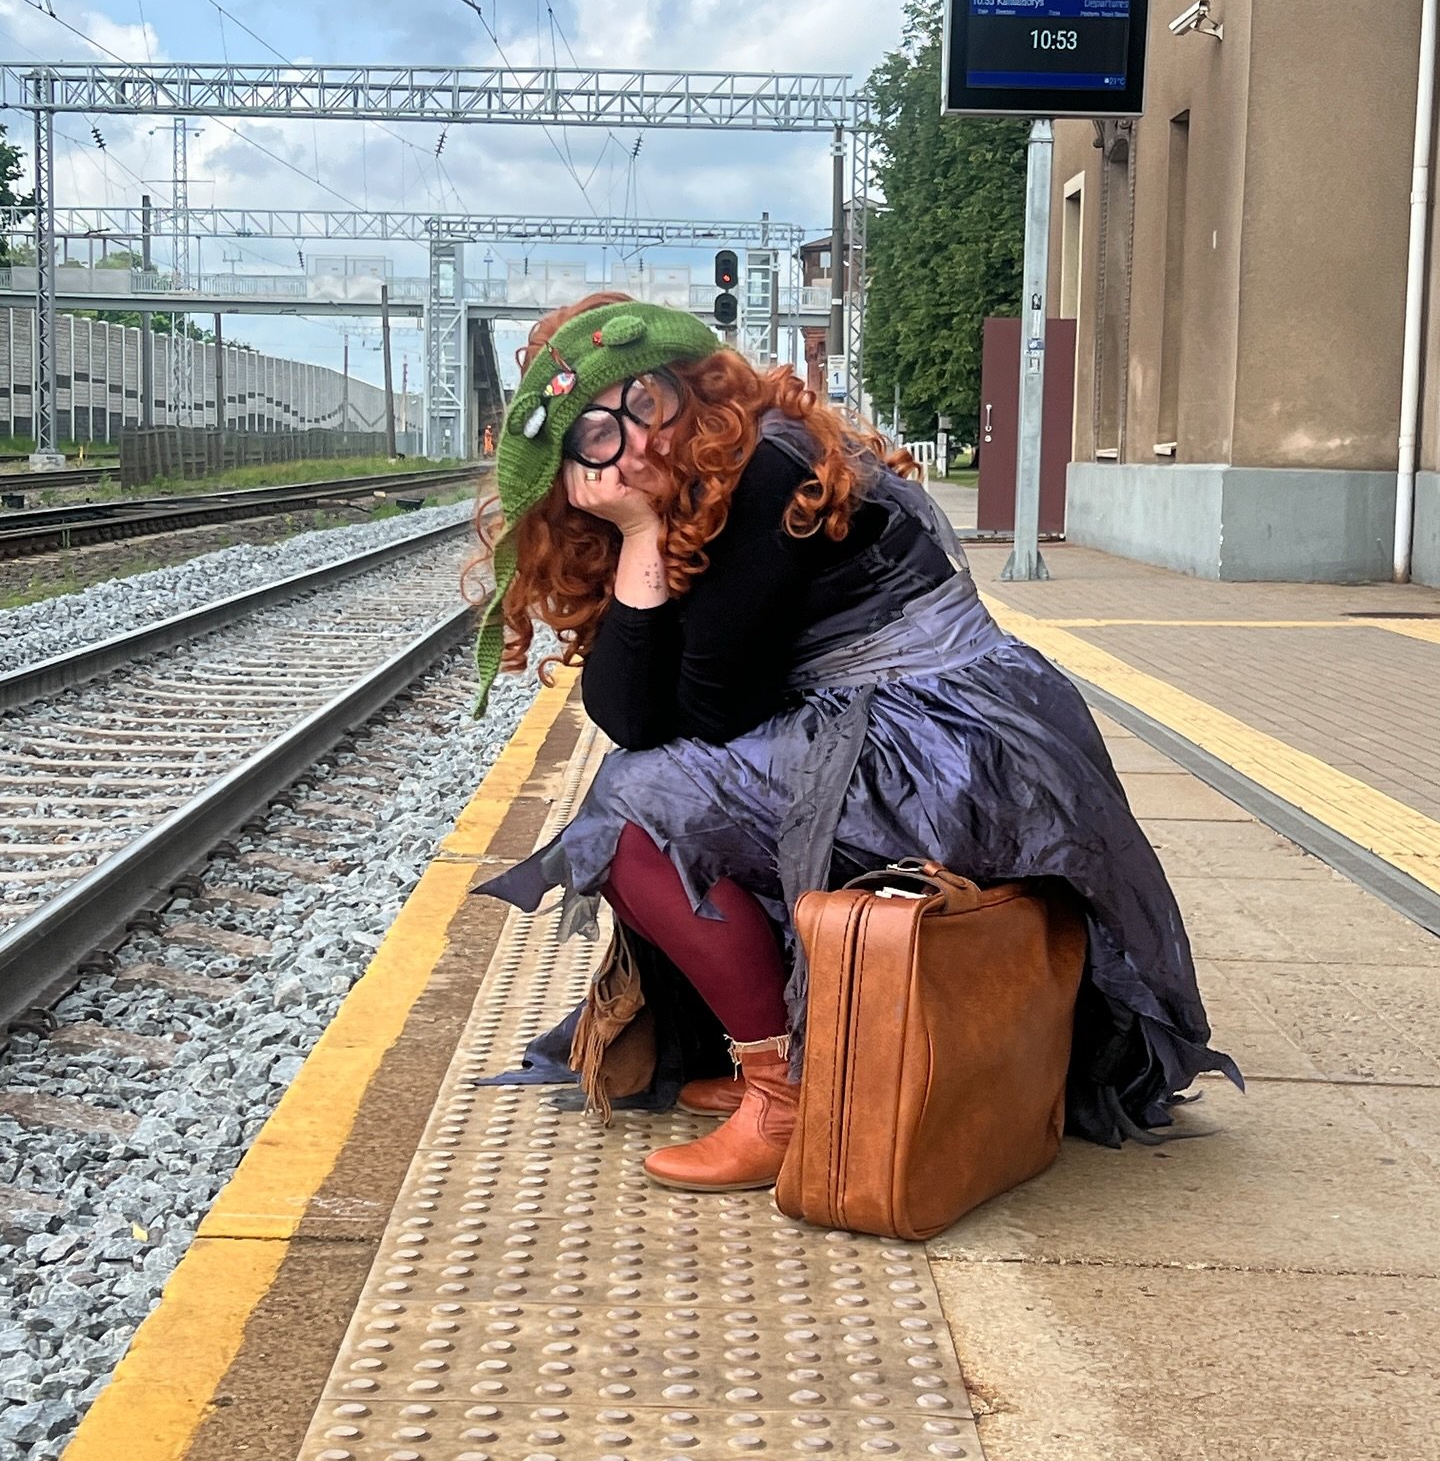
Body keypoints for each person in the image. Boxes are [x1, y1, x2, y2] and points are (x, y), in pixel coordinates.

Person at [470, 293, 1239, 1194]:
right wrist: (640, 538)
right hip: (893, 722)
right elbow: (635, 713)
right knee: (645, 785)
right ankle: (793, 1062)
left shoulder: (768, 467)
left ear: (690, 381)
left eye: (645, 402)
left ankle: (787, 1095)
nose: (637, 445)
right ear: (570, 469)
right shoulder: (699, 477)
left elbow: (708, 711)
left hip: (954, 745)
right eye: (598, 436)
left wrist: (638, 530)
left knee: (639, 816)